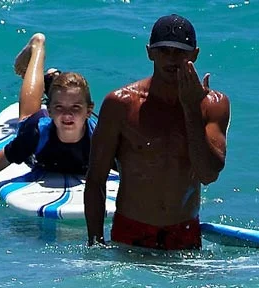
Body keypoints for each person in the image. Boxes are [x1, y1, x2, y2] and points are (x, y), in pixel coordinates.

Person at [85, 14, 230, 250]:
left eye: (180, 51)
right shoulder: (120, 104)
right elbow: (96, 179)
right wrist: (95, 243)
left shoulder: (212, 105)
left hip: (183, 234)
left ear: (194, 54)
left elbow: (208, 174)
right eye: (164, 51)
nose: (171, 59)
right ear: (150, 52)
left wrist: (191, 109)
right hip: (130, 231)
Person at [0, 33, 95, 202]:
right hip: (35, 125)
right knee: (27, 117)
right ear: (50, 111)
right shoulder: (35, 133)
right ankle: (37, 46)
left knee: (62, 97)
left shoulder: (102, 139)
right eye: (59, 108)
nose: (68, 115)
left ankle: (52, 80)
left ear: (89, 111)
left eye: (76, 108)